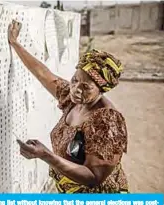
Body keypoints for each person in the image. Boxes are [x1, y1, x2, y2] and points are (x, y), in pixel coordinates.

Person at [8, 20, 129, 193]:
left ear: (102, 90)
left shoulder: (107, 122)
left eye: (86, 87)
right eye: (75, 80)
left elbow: (93, 177)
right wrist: (15, 43)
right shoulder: (73, 99)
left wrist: (46, 155)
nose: (76, 89)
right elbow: (43, 74)